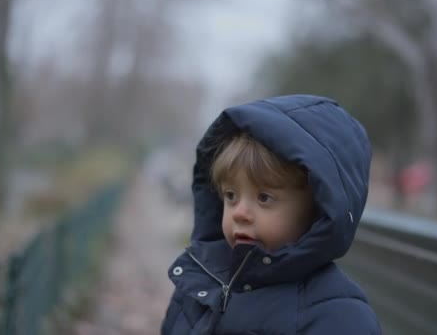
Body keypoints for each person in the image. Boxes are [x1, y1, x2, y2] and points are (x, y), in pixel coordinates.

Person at [161, 95, 381, 334]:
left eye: (264, 198)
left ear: (317, 208)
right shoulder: (200, 279)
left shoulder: (338, 317)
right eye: (231, 196)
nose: (240, 213)